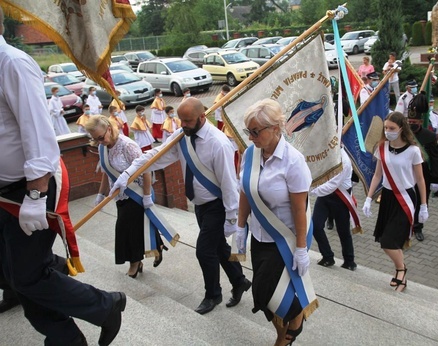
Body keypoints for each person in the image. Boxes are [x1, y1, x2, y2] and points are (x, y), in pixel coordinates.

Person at [0, 9, 125, 344]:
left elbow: (38, 133)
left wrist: (36, 195)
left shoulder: (11, 63)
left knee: (26, 275)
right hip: (3, 188)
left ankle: (104, 305)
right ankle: (64, 338)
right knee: (15, 272)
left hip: (28, 187)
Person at [109, 97, 251, 315]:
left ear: (202, 117)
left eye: (188, 120)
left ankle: (213, 294)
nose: (183, 124)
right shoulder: (183, 135)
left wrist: (232, 218)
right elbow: (155, 156)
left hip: (217, 206)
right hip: (199, 205)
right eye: (181, 120)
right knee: (219, 247)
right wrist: (128, 173)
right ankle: (240, 281)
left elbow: (229, 184)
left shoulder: (219, 143)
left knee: (204, 252)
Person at [236, 99, 317, 346]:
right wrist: (240, 228)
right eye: (248, 131)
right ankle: (285, 334)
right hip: (260, 237)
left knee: (264, 293)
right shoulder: (250, 154)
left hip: (286, 239)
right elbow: (245, 192)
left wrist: (302, 249)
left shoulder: (293, 161)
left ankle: (296, 318)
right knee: (265, 298)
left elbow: (299, 209)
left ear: (275, 128)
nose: (250, 137)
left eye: (255, 131)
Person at [86, 115, 167, 277]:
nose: (99, 142)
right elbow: (106, 172)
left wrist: (146, 197)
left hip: (137, 193)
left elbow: (146, 171)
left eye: (101, 137)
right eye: (95, 139)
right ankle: (156, 247)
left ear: (109, 128)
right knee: (134, 228)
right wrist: (100, 195)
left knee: (127, 229)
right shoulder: (103, 146)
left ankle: (135, 264)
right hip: (120, 195)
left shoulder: (128, 146)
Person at [362, 111, 428, 292]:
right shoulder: (381, 147)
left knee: (388, 241)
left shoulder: (413, 151)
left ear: (401, 128)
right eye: (386, 128)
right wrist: (368, 198)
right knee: (387, 239)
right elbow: (377, 175)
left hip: (405, 198)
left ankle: (401, 269)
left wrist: (423, 205)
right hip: (388, 198)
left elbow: (421, 180)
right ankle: (401, 272)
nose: (388, 131)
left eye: (392, 128)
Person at [311, 147, 357, 270]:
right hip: (324, 196)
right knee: (315, 225)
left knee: (343, 231)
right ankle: (327, 256)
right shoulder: (325, 152)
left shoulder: (344, 160)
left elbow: (332, 185)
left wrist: (310, 189)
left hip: (340, 197)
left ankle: (349, 261)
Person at [407, 94, 438, 242]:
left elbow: (435, 158)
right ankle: (406, 226)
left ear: (421, 121)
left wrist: (435, 179)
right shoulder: (402, 135)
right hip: (406, 175)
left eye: (414, 122)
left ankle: (418, 227)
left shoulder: (430, 136)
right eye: (409, 121)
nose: (412, 124)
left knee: (422, 201)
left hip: (424, 175)